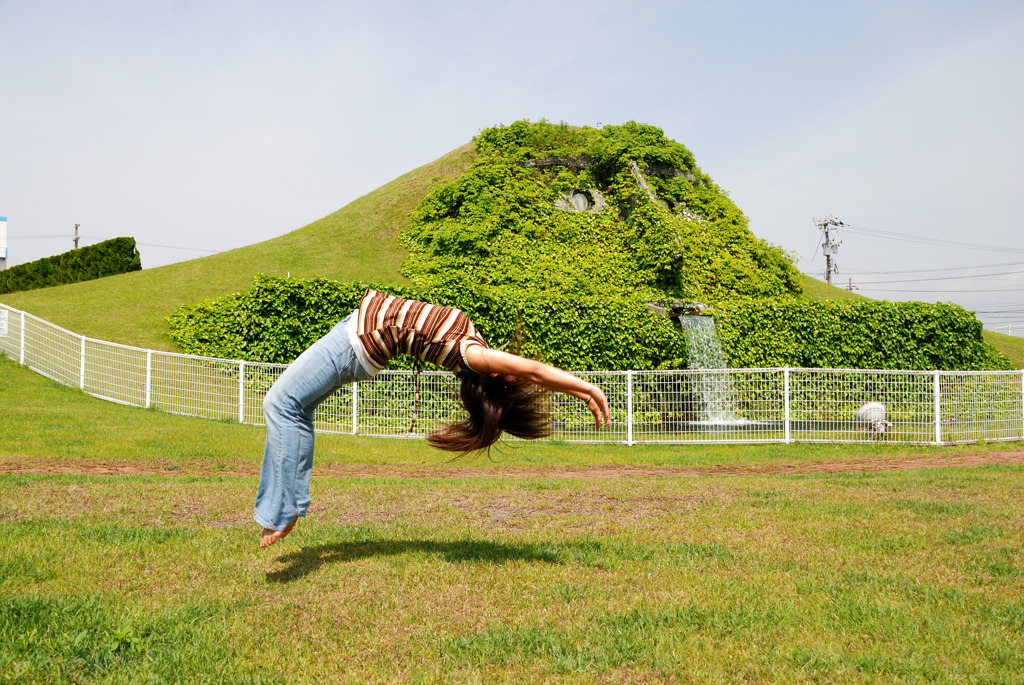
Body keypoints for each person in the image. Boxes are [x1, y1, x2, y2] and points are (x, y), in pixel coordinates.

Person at [256, 289, 610, 548]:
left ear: (496, 378)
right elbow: (531, 373)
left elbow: (533, 370)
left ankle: (283, 512)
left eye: (512, 377)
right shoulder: (476, 344)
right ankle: (288, 507)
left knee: (280, 404)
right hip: (354, 336)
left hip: (353, 343)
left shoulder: (474, 357)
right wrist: (577, 389)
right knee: (293, 408)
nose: (517, 375)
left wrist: (583, 388)